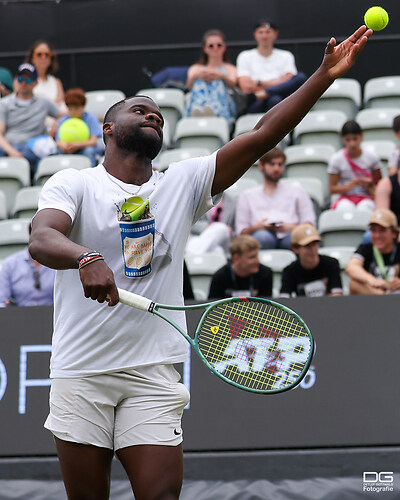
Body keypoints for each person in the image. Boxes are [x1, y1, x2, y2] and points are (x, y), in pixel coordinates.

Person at [28, 25, 371, 499]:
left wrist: (324, 76)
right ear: (108, 128)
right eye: (139, 109)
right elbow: (42, 237)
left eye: (159, 115)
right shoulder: (74, 183)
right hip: (81, 371)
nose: (154, 115)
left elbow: (263, 134)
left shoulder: (183, 184)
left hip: (153, 372)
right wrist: (85, 256)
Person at [235, 147, 316, 249]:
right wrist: (259, 226)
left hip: (289, 235)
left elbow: (309, 225)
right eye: (272, 164)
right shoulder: (247, 195)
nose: (276, 168)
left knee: (298, 239)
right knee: (263, 238)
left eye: (280, 164)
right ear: (261, 165)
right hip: (260, 237)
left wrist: (288, 227)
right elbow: (241, 231)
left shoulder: (297, 191)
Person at [0, 63, 60, 176]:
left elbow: (64, 115)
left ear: (35, 82)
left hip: (34, 148)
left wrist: (58, 123)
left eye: (28, 80)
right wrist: (12, 152)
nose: (23, 83)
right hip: (9, 147)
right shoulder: (4, 103)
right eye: (20, 79)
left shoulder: (44, 102)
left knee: (48, 153)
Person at [236, 19, 307, 114]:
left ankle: (263, 94)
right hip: (256, 104)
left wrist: (259, 83)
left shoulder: (286, 55)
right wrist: (280, 82)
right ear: (255, 34)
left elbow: (290, 82)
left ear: (275, 34)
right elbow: (246, 87)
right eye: (261, 32)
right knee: (275, 98)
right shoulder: (245, 56)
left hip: (277, 99)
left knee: (300, 78)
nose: (264, 36)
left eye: (268, 32)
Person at [184, 29, 237, 124]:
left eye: (219, 45)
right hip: (197, 103)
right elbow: (188, 86)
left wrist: (221, 76)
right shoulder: (195, 68)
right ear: (205, 48)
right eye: (211, 46)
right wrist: (197, 76)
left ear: (224, 47)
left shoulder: (230, 68)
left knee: (218, 83)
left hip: (224, 105)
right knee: (199, 83)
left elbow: (233, 85)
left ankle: (213, 110)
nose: (215, 48)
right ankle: (200, 108)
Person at [328, 120, 382, 212]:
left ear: (361, 136)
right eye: (348, 140)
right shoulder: (336, 159)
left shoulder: (372, 157)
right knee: (345, 208)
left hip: (367, 197)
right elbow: (332, 188)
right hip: (345, 198)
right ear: (343, 140)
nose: (352, 144)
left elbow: (380, 183)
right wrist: (348, 187)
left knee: (365, 208)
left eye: (355, 139)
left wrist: (369, 183)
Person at [346, 208, 400, 295]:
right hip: (374, 296)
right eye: (373, 230)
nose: (377, 235)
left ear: (394, 233)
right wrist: (372, 280)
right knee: (354, 284)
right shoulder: (366, 248)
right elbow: (351, 267)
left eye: (382, 230)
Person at [280, 223, 342, 298]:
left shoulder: (331, 264)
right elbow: (284, 300)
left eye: (315, 244)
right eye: (307, 246)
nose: (312, 250)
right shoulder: (289, 271)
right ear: (295, 249)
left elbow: (337, 297)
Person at [208, 235, 272, 299]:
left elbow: (266, 306)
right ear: (236, 258)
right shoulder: (220, 276)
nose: (257, 261)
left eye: (257, 256)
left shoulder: (265, 273)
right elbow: (213, 306)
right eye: (252, 257)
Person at [55, 88, 104, 167]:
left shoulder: (91, 118)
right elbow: (58, 141)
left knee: (89, 151)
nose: (73, 111)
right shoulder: (62, 120)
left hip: (85, 149)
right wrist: (63, 146)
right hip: (68, 150)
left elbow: (93, 141)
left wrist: (77, 145)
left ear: (82, 107)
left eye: (76, 108)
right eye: (70, 109)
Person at [0, 242, 55, 307]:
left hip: (52, 313)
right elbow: (2, 301)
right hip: (19, 314)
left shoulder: (57, 261)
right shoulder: (10, 264)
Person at [25, 40, 65, 107]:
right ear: (32, 58)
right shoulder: (24, 80)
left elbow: (61, 104)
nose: (43, 57)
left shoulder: (56, 82)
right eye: (39, 54)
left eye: (47, 54)